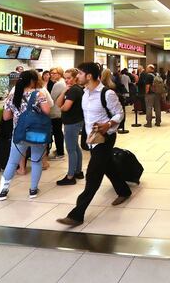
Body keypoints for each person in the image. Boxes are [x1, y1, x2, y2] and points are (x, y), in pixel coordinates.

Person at [56, 62, 131, 226]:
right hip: (92, 138)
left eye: (80, 74)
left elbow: (120, 113)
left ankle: (77, 215)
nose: (78, 77)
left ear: (89, 76)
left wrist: (109, 124)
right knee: (108, 166)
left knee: (93, 176)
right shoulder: (84, 93)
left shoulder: (107, 93)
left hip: (105, 138)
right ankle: (124, 190)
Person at [0, 70, 51, 200]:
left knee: (12, 162)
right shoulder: (39, 94)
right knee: (36, 161)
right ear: (33, 81)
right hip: (37, 133)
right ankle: (33, 190)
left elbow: (6, 117)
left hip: (19, 133)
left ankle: (2, 191)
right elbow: (47, 111)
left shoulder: (12, 96)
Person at [55, 68, 85, 185]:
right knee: (75, 147)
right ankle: (78, 171)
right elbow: (58, 103)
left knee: (71, 149)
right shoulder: (73, 89)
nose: (67, 80)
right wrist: (63, 92)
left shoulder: (74, 91)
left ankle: (70, 176)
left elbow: (64, 107)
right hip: (75, 121)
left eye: (69, 78)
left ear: (75, 77)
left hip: (72, 123)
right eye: (65, 78)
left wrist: (62, 107)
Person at [49, 67, 66, 160]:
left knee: (57, 132)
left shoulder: (58, 84)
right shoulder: (61, 83)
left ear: (60, 73)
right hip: (59, 111)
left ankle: (60, 152)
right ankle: (60, 150)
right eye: (51, 73)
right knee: (58, 131)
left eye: (54, 73)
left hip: (55, 112)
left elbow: (52, 98)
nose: (52, 75)